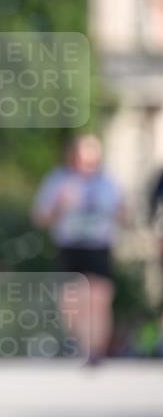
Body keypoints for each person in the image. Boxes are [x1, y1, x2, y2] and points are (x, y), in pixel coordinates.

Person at [32, 134, 125, 363]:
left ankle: (96, 351)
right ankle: (82, 343)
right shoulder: (58, 180)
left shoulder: (108, 183)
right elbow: (40, 217)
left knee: (99, 300)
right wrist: (59, 205)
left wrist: (119, 214)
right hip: (69, 245)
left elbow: (124, 215)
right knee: (69, 303)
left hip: (98, 245)